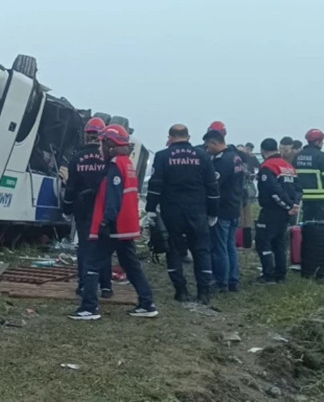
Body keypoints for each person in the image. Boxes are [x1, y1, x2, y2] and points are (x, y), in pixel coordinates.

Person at [68, 124, 158, 320]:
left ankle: (89, 307)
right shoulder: (127, 164)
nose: (99, 149)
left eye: (102, 144)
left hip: (114, 226)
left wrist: (105, 222)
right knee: (132, 265)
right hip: (125, 226)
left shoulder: (116, 165)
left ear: (109, 144)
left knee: (92, 264)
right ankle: (147, 302)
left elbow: (113, 198)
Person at [145, 124, 219, 305]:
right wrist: (213, 212)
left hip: (172, 212)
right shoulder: (203, 155)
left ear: (170, 137)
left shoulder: (162, 156)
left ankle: (181, 291)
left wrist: (150, 209)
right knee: (201, 251)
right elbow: (212, 187)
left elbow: (155, 185)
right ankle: (204, 293)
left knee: (174, 251)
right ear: (189, 137)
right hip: (198, 210)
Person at [62, 117, 113, 298]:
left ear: (86, 135)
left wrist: (67, 209)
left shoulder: (77, 158)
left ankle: (83, 285)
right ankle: (106, 286)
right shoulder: (108, 158)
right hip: (104, 207)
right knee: (104, 246)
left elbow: (71, 186)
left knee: (84, 246)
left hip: (82, 208)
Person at [203, 129, 245, 292]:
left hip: (222, 209)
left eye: (208, 146)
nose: (207, 149)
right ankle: (233, 279)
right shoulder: (236, 157)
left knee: (219, 247)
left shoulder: (223, 161)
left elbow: (213, 185)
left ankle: (221, 281)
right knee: (230, 247)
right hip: (234, 207)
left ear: (214, 143)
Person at [256, 138, 303, 283]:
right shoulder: (288, 166)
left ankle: (268, 274)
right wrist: (294, 205)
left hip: (272, 209)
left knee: (262, 241)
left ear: (263, 151)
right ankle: (280, 274)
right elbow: (298, 189)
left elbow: (273, 190)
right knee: (279, 242)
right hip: (286, 211)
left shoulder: (267, 166)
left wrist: (288, 206)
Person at [292, 129, 324, 222]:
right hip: (320, 197)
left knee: (306, 222)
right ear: (317, 142)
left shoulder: (297, 156)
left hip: (302, 197)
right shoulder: (321, 156)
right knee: (320, 224)